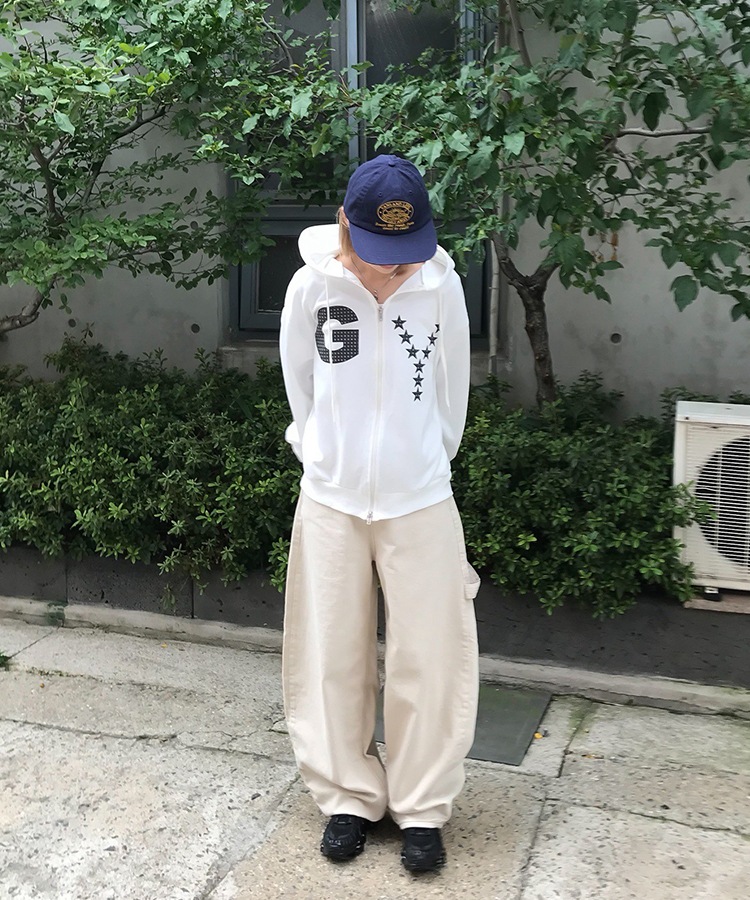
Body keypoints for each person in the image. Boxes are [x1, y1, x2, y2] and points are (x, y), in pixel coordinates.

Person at [278, 153, 481, 874]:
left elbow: (452, 393)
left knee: (431, 656)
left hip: (420, 498)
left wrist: (421, 461)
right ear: (345, 226)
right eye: (379, 252)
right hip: (331, 499)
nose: (395, 268)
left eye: (406, 252)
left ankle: (421, 805)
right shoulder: (310, 285)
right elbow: (300, 385)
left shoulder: (441, 286)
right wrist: (321, 454)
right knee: (331, 651)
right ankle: (347, 796)